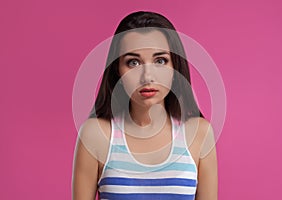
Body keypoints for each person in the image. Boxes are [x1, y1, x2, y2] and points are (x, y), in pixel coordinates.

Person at [72, 11, 218, 200]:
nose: (147, 76)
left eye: (160, 61)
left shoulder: (199, 133)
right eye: (133, 62)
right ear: (118, 71)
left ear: (175, 68)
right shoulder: (95, 134)